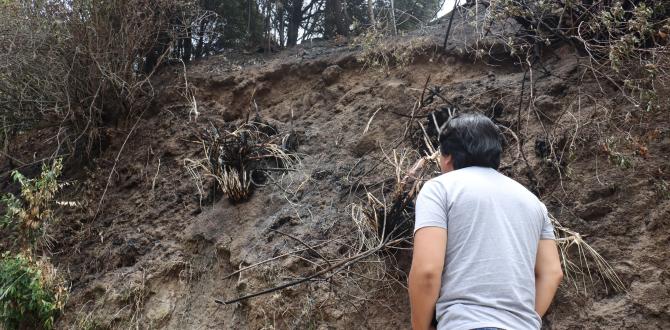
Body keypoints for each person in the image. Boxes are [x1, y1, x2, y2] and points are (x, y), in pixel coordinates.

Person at [408, 112, 563, 330]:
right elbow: (552, 272)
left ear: (448, 156)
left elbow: (427, 270)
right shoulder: (532, 202)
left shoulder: (440, 188)